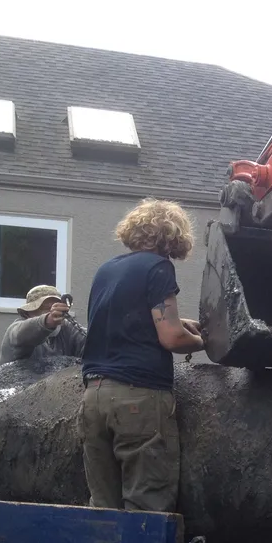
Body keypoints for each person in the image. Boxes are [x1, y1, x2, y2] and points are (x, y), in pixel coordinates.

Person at [78, 198, 205, 513]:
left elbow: (126, 320)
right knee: (146, 507)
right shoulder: (159, 267)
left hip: (93, 397)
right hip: (137, 400)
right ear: (173, 236)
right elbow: (172, 338)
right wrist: (207, 342)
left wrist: (182, 322)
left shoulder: (107, 269)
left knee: (103, 507)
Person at [0, 285, 87, 365]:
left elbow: (89, 340)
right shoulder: (16, 331)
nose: (52, 312)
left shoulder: (67, 329)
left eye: (56, 307)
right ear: (28, 313)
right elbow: (21, 334)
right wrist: (47, 321)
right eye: (45, 308)